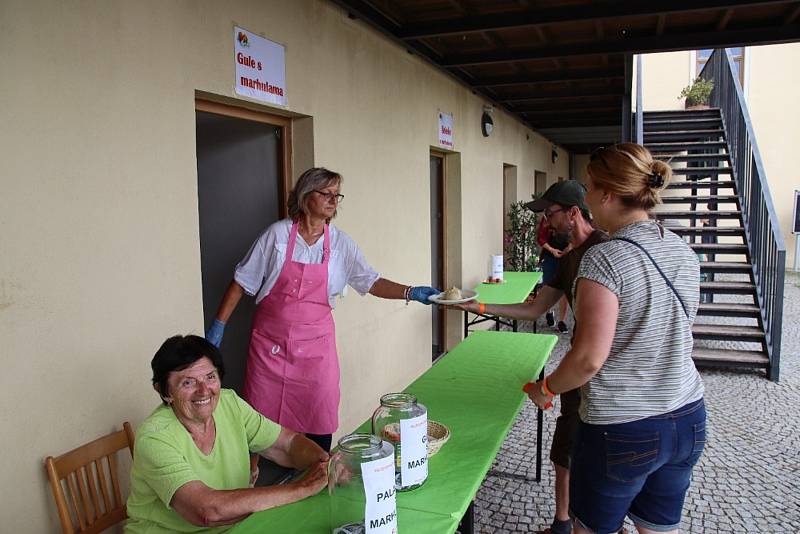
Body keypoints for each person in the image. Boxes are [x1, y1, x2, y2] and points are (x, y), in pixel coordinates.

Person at [527, 144, 706, 534]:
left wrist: (546, 387)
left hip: (623, 426)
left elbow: (589, 358)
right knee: (657, 528)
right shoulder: (682, 250)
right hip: (688, 416)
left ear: (607, 194)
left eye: (590, 188)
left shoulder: (606, 257)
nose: (587, 200)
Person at [206, 167, 438, 452]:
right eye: (325, 193)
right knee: (260, 421)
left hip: (317, 351)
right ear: (306, 196)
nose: (333, 200)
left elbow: (371, 281)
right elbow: (241, 282)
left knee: (318, 413)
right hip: (271, 349)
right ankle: (253, 480)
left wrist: (410, 292)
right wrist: (218, 328)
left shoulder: (341, 244)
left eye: (336, 195)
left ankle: (316, 473)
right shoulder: (277, 236)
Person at [456, 180, 608, 534]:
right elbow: (537, 307)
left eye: (550, 214)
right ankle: (561, 524)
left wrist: (548, 387)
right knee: (564, 450)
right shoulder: (566, 259)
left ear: (574, 213)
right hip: (578, 374)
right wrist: (477, 305)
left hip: (606, 378)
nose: (546, 223)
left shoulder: (607, 251)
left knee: (601, 458)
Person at [126, 335, 329, 533]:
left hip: (235, 527)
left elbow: (286, 444)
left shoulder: (229, 403)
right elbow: (206, 511)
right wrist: (301, 488)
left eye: (210, 377)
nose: (204, 391)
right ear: (165, 392)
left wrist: (326, 465)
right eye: (188, 382)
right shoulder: (154, 438)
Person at [537, 212, 571, 334]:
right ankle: (549, 311)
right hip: (550, 257)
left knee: (565, 290)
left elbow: (579, 235)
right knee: (548, 287)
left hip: (567, 257)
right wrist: (552, 250)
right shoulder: (548, 217)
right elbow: (540, 238)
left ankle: (562, 321)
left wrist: (570, 248)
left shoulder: (572, 216)